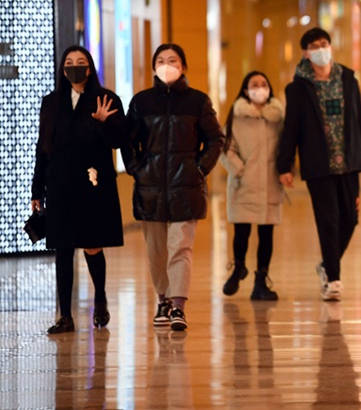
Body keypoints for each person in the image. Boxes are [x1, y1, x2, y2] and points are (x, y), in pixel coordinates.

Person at [122, 43, 224, 331]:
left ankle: (178, 305)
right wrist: (136, 168)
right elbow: (128, 140)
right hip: (150, 187)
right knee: (156, 251)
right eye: (161, 60)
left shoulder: (197, 101)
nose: (167, 65)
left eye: (173, 60)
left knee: (180, 248)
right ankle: (163, 300)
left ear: (184, 67)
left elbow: (216, 139)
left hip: (185, 187)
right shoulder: (141, 102)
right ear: (154, 67)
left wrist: (199, 168)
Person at [32, 45, 126, 334]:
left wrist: (102, 123)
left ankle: (100, 299)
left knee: (92, 245)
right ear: (63, 68)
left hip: (92, 183)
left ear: (89, 67)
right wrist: (37, 189)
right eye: (69, 62)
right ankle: (65, 316)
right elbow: (43, 147)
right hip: (59, 183)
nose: (74, 66)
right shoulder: (51, 103)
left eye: (80, 61)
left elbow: (119, 140)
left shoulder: (105, 99)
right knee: (63, 248)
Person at [277, 27, 361, 301]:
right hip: (318, 164)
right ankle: (333, 278)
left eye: (324, 43)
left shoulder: (348, 79)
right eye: (314, 46)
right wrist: (285, 165)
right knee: (328, 220)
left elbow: (359, 119)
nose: (320, 49)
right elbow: (292, 127)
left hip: (349, 162)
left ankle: (326, 265)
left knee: (350, 219)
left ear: (330, 47)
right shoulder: (298, 88)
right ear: (306, 53)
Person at [219, 71, 284, 301]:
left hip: (270, 183)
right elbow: (225, 148)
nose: (260, 88)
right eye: (254, 84)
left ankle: (261, 281)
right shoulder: (237, 117)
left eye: (264, 84)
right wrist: (240, 169)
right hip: (243, 184)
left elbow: (286, 146)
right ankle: (238, 267)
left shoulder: (277, 118)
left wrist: (285, 170)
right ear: (245, 90)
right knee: (242, 231)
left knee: (266, 234)